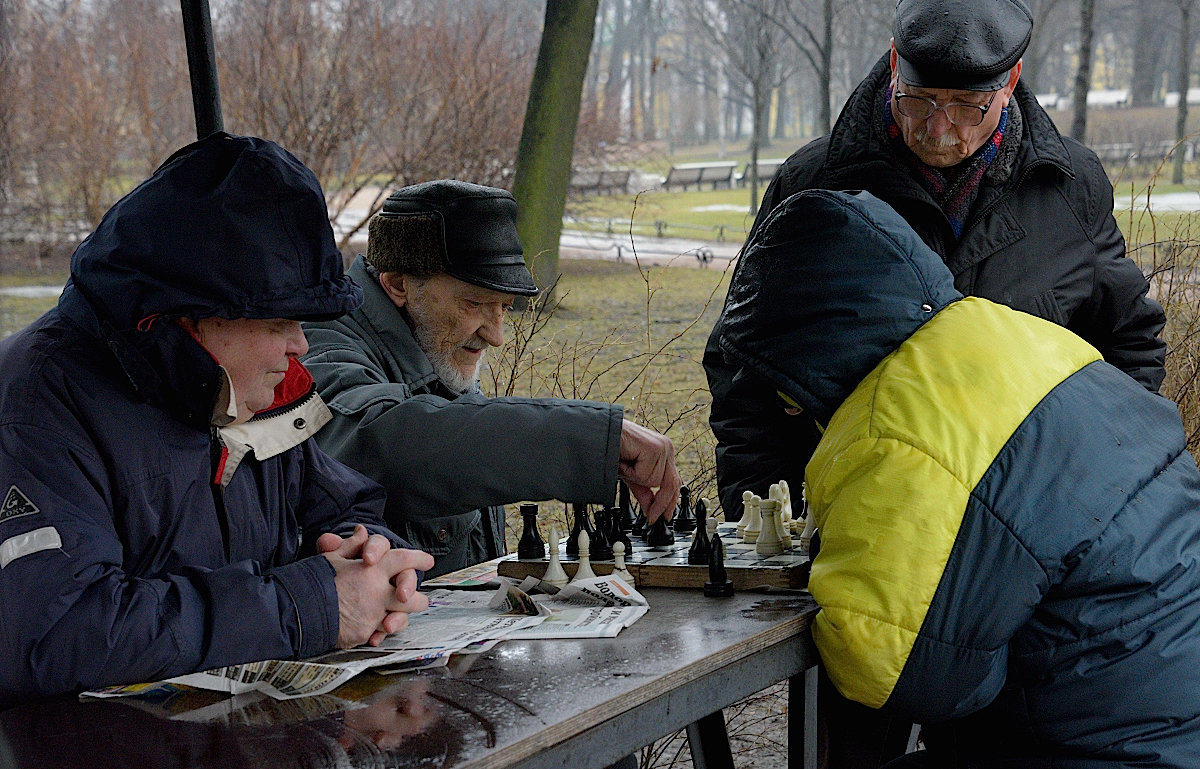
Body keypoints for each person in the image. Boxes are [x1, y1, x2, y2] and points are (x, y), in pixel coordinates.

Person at [719, 188, 1200, 768]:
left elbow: (901, 677)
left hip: (1098, 749)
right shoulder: (1005, 333)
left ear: (808, 344)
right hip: (1166, 712)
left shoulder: (893, 422)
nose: (789, 406)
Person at [0, 133, 434, 703]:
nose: (300, 345)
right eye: (280, 321)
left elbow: (347, 505)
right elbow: (52, 634)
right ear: (193, 316)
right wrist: (309, 606)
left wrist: (374, 560)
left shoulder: (241, 391)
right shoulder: (39, 405)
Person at [704, 0, 1167, 524]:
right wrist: (772, 517)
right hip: (856, 520)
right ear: (894, 66)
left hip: (1026, 522)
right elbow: (741, 367)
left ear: (1011, 80)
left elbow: (1129, 343)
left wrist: (1098, 485)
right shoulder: (814, 185)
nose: (939, 128)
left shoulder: (1068, 188)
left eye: (967, 105)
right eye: (919, 101)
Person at [302, 179, 681, 578]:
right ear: (398, 284)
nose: (496, 335)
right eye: (476, 303)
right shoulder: (322, 348)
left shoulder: (434, 342)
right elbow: (387, 440)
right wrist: (587, 439)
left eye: (504, 307)